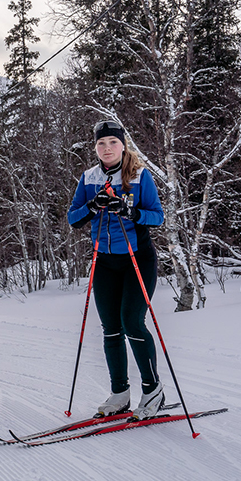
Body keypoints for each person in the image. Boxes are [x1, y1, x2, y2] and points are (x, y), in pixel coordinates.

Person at [67, 119, 166, 420]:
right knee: (111, 328)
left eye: (112, 142)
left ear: (123, 145)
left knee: (132, 322)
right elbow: (73, 218)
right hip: (105, 262)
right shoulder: (89, 178)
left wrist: (131, 212)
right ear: (95, 147)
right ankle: (120, 394)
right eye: (101, 143)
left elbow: (157, 216)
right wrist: (92, 207)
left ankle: (152, 391)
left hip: (137, 259)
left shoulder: (139, 175)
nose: (107, 148)